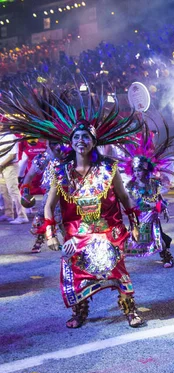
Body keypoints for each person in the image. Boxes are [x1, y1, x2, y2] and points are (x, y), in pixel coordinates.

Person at [1, 87, 146, 329]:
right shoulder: (60, 171)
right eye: (76, 137)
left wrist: (136, 225)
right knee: (77, 274)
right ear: (71, 142)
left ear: (94, 141)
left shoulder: (109, 168)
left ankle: (130, 310)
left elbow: (124, 198)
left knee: (117, 271)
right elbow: (49, 206)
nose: (81, 141)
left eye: (86, 137)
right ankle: (81, 312)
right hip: (76, 233)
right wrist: (50, 234)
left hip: (108, 231)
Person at [121, 128, 174, 268]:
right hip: (139, 217)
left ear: (146, 170)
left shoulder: (154, 183)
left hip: (152, 217)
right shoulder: (131, 185)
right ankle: (118, 260)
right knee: (132, 240)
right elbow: (129, 202)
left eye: (140, 170)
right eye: (135, 170)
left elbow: (159, 198)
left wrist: (162, 208)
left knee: (159, 239)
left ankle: (166, 257)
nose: (137, 173)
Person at [20, 140, 67, 253]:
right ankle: (39, 241)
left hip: (68, 193)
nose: (57, 146)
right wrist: (26, 191)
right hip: (50, 192)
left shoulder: (70, 156)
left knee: (65, 219)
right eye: (53, 143)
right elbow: (30, 175)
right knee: (42, 216)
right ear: (47, 144)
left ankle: (70, 241)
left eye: (59, 143)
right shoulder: (42, 158)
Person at [0, 129, 29, 224]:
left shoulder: (9, 136)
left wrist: (1, 165)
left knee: (14, 191)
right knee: (4, 192)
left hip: (10, 167)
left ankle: (22, 216)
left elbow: (12, 155)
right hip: (2, 168)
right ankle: (9, 214)